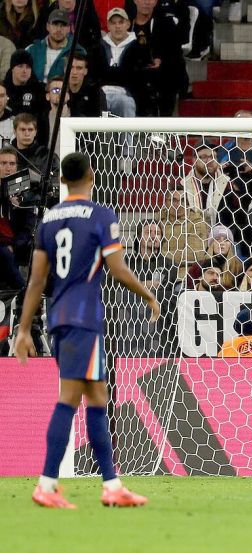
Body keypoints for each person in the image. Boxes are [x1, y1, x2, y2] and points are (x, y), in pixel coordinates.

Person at [14, 153, 158, 508]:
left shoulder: (50, 218)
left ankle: (111, 485)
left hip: (58, 317)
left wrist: (23, 329)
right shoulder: (100, 215)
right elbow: (118, 270)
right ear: (91, 175)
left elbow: (36, 280)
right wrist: (149, 295)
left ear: (62, 180)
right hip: (83, 318)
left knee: (97, 397)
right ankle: (46, 485)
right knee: (69, 398)